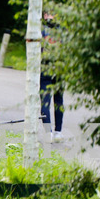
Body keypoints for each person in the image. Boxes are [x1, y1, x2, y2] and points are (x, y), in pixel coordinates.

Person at [40, 13, 64, 141]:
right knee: (59, 100)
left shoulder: (41, 31)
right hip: (60, 69)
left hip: (45, 68)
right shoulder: (62, 32)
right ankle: (58, 132)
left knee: (45, 101)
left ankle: (47, 132)